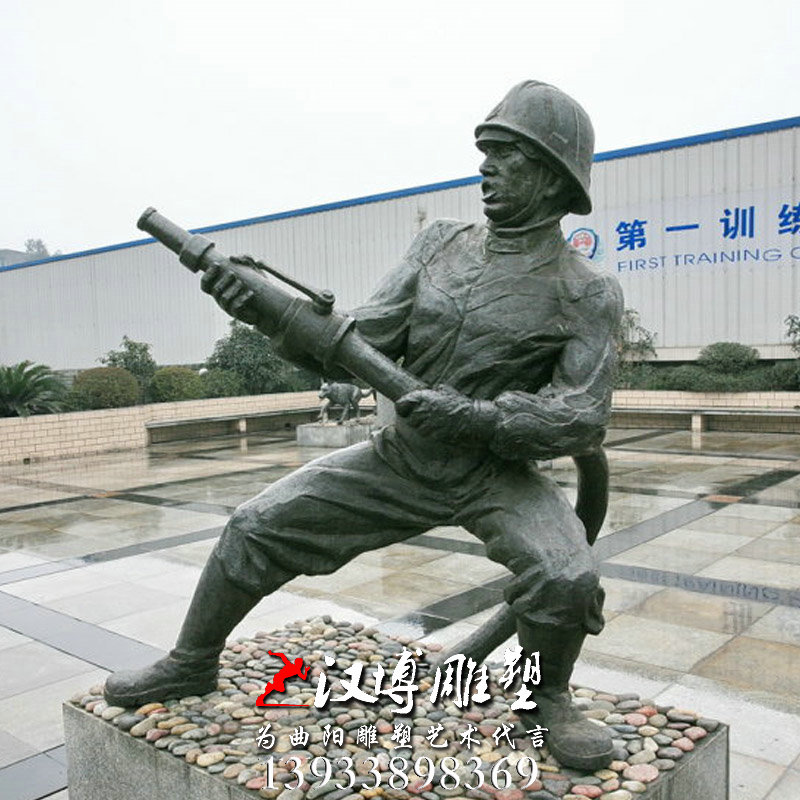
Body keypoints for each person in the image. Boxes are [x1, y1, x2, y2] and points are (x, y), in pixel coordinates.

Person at [105, 80, 623, 771]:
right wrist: (264, 315)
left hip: (493, 473)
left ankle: (547, 697)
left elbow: (581, 413)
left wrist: (475, 417)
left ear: (555, 177)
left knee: (567, 577)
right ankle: (192, 660)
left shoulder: (586, 289)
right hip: (400, 458)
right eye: (486, 151)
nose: (486, 167)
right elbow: (363, 339)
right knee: (255, 525)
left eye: (507, 154)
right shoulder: (440, 244)